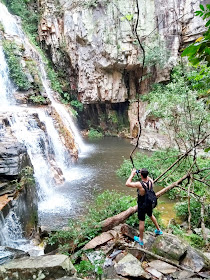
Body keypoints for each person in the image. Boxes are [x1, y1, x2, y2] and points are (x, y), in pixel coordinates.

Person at [126, 168, 163, 246]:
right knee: (150, 215)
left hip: (142, 204)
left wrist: (132, 174)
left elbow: (127, 183)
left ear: (141, 175)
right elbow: (147, 178)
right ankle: (158, 230)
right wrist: (142, 172)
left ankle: (141, 239)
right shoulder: (151, 182)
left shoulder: (139, 184)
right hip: (149, 203)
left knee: (141, 221)